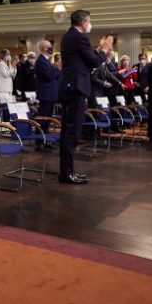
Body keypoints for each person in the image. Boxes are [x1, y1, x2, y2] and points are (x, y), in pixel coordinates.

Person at [57, 10, 107, 184]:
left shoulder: (69, 36)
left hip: (71, 87)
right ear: (84, 22)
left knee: (68, 131)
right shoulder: (79, 37)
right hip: (76, 87)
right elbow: (94, 61)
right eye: (89, 21)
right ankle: (66, 173)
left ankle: (67, 171)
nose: (90, 24)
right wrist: (105, 50)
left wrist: (99, 50)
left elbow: (86, 57)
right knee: (72, 132)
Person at [34, 40, 60, 118]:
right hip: (46, 94)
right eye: (49, 46)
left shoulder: (46, 60)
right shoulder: (41, 61)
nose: (51, 48)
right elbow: (48, 76)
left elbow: (52, 73)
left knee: (47, 118)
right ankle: (41, 131)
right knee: (44, 118)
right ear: (44, 48)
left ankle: (44, 130)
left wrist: (56, 70)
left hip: (50, 94)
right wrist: (58, 69)